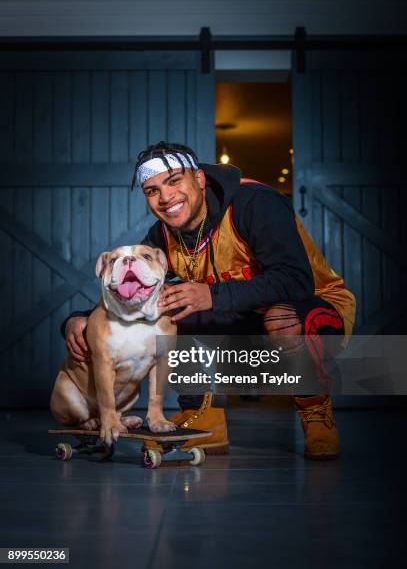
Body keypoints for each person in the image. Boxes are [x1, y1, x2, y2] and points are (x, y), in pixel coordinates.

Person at [61, 141, 356, 459]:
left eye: (174, 181)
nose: (165, 197)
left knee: (281, 319)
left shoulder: (255, 203)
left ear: (199, 179)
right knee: (170, 308)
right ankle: (204, 416)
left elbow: (297, 281)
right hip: (240, 321)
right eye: (152, 190)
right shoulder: (163, 235)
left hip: (313, 311)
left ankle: (315, 412)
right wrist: (78, 319)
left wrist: (212, 295)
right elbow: (129, 285)